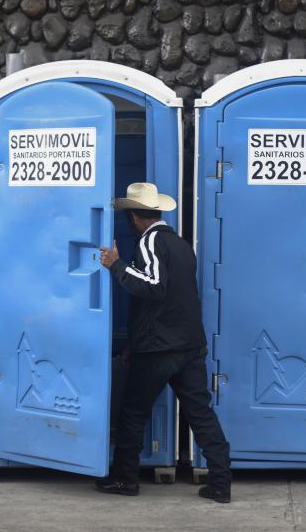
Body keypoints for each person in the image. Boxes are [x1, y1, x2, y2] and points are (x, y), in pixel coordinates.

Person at [95, 182, 232, 504]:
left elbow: (154, 287)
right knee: (201, 414)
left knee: (132, 413)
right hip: (188, 345)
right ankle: (220, 483)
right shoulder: (181, 244)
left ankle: (125, 480)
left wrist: (116, 265)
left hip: (159, 349)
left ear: (134, 217)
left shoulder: (149, 242)